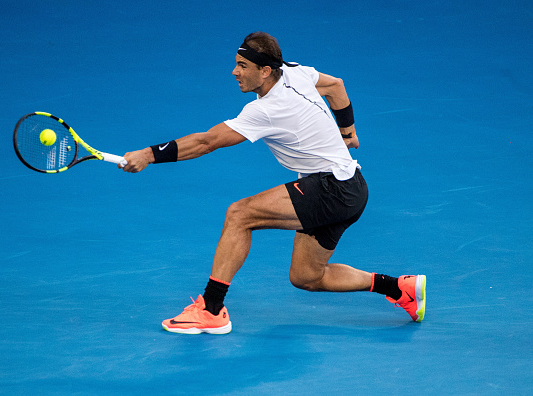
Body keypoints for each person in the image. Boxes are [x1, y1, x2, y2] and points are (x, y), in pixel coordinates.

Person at [121, 32, 426, 334]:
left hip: (332, 188)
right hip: (353, 187)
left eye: (242, 66)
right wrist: (348, 133)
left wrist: (148, 155)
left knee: (240, 215)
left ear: (265, 71)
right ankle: (399, 288)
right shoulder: (294, 71)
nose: (234, 72)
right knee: (307, 277)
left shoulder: (266, 110)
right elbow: (336, 86)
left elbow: (207, 142)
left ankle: (211, 310)